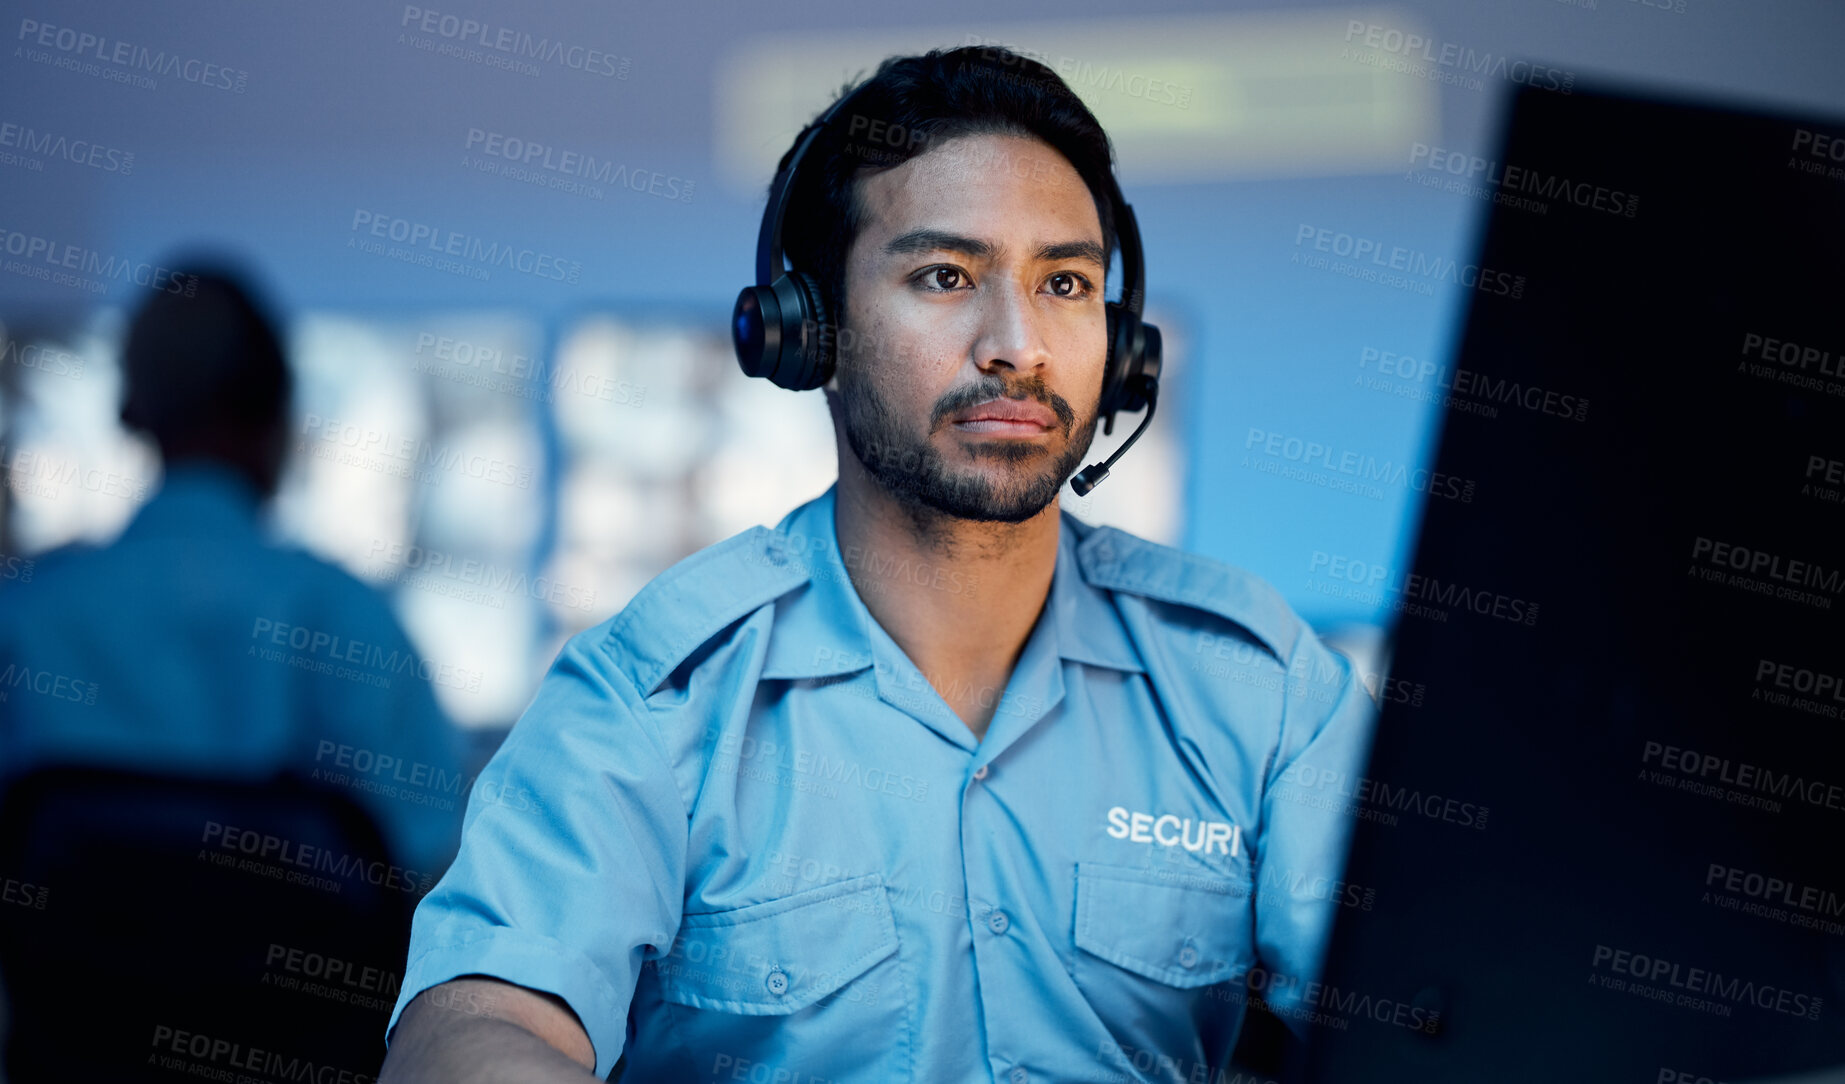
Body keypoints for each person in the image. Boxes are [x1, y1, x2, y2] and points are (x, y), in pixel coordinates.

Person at [381, 46, 1374, 1084]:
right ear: (810, 332)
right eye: (945, 276)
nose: (1019, 345)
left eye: (1067, 283)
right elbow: (481, 1023)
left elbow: (1446, 1005)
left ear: (1122, 348)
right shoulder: (650, 696)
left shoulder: (1255, 687)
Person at [0, 264, 464, 882]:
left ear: (131, 412)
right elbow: (433, 878)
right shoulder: (351, 622)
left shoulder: (26, 617)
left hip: (59, 984)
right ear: (280, 416)